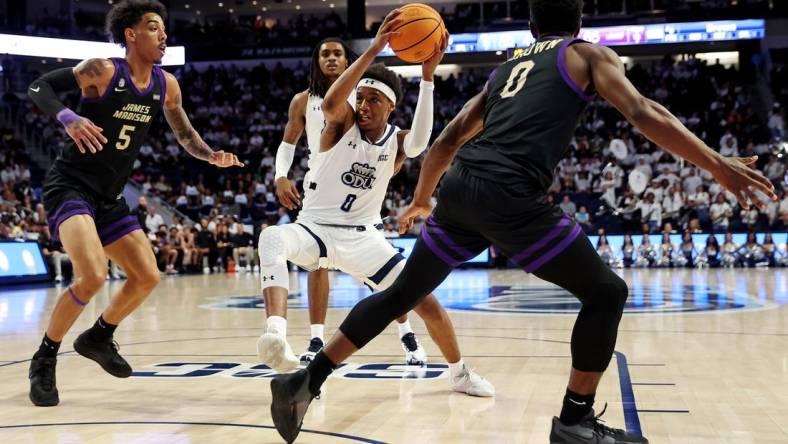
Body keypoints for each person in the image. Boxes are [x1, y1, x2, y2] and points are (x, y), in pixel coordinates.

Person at [269, 2, 777, 442]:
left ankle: (304, 383)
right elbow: (642, 112)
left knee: (402, 296)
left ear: (532, 27)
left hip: (461, 189)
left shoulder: (504, 69)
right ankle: (575, 422)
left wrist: (424, 200)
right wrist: (717, 163)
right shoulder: (587, 55)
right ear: (577, 23)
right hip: (508, 193)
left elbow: (445, 142)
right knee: (606, 293)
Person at [258, 14, 492, 404]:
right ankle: (276, 336)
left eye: (373, 100)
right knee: (270, 238)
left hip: (364, 238)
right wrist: (375, 49)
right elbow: (333, 101)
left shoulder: (397, 142)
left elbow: (421, 142)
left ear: (391, 106)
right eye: (361, 98)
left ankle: (459, 372)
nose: (363, 105)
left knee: (427, 302)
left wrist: (429, 75)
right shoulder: (340, 124)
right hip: (314, 229)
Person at [26, 0, 242, 407]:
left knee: (147, 276)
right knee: (91, 276)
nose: (163, 36)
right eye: (154, 28)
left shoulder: (166, 85)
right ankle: (44, 359)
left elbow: (185, 135)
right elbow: (40, 87)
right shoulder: (103, 71)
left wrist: (210, 154)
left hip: (109, 196)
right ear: (131, 34)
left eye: (164, 29)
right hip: (70, 185)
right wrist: (69, 118)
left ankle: (98, 336)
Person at [272, 38, 425, 364]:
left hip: (356, 185)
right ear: (316, 61)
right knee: (316, 264)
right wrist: (281, 175)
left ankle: (405, 331)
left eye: (337, 53)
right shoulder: (302, 101)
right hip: (321, 185)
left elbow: (391, 137)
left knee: (380, 272)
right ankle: (315, 339)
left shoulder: (362, 102)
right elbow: (288, 143)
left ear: (348, 61)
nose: (330, 58)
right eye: (324, 53)